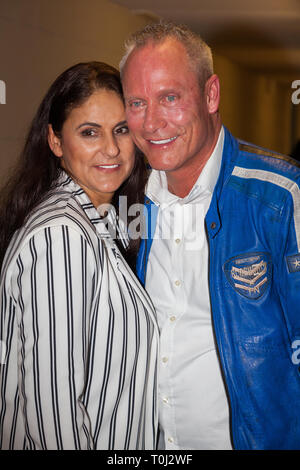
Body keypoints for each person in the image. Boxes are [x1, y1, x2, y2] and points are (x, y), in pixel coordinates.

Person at [120, 21, 300, 450]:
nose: (152, 122)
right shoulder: (125, 203)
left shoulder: (281, 198)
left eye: (170, 98)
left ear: (211, 94)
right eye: (137, 102)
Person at [0, 61, 158, 450]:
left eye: (121, 130)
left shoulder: (109, 220)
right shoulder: (60, 236)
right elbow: (53, 413)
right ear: (55, 141)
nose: (111, 148)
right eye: (90, 132)